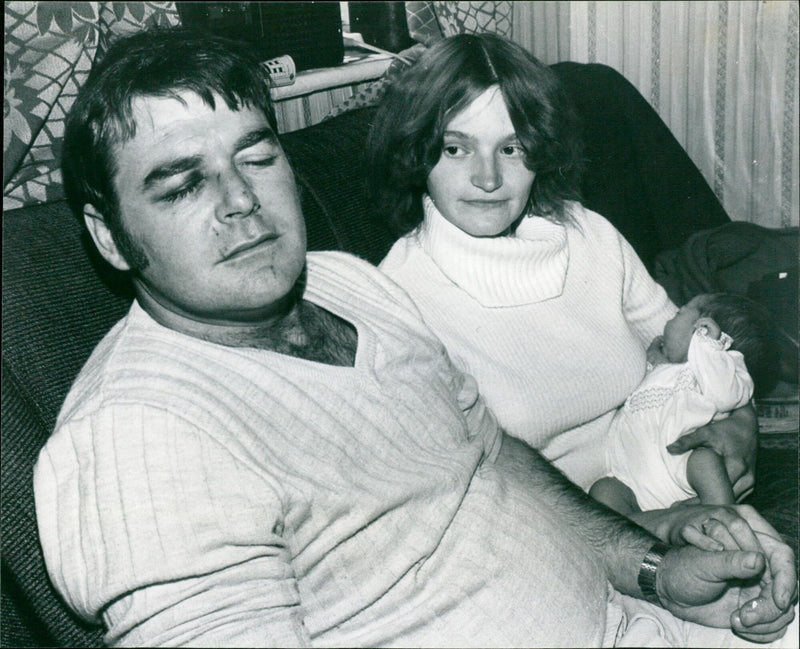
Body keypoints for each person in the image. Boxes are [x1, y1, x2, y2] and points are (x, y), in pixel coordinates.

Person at [33, 27, 797, 648]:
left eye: (257, 156)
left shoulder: (348, 283)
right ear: (108, 234)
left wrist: (658, 570)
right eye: (182, 183)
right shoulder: (137, 439)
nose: (239, 200)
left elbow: (498, 455)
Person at [370, 32, 759, 499]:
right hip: (556, 532)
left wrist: (742, 424)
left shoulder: (587, 233)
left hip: (671, 482)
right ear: (416, 153)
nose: (488, 178)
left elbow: (696, 352)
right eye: (456, 148)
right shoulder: (396, 298)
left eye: (511, 149)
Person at [590, 293, 780, 519]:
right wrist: (654, 365)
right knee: (603, 490)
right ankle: (637, 538)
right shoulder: (671, 371)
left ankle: (724, 521)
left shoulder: (718, 371)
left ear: (703, 330)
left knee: (704, 461)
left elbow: (728, 395)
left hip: (682, 468)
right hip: (632, 481)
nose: (668, 320)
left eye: (678, 313)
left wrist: (709, 347)